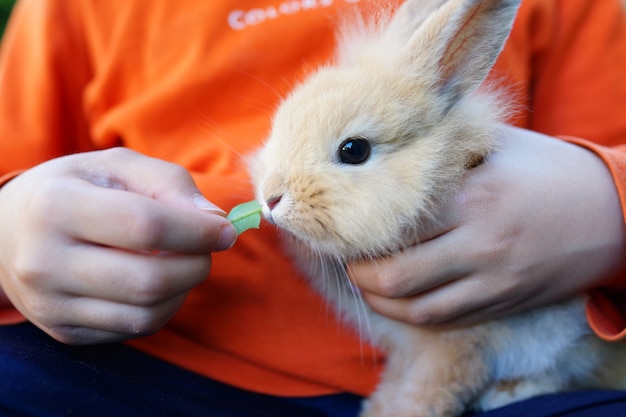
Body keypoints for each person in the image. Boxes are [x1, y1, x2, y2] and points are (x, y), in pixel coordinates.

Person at [0, 0, 625, 416]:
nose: (271, 194)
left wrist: (607, 204)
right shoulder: (74, 11)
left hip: (521, 381)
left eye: (351, 152)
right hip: (149, 360)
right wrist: (11, 232)